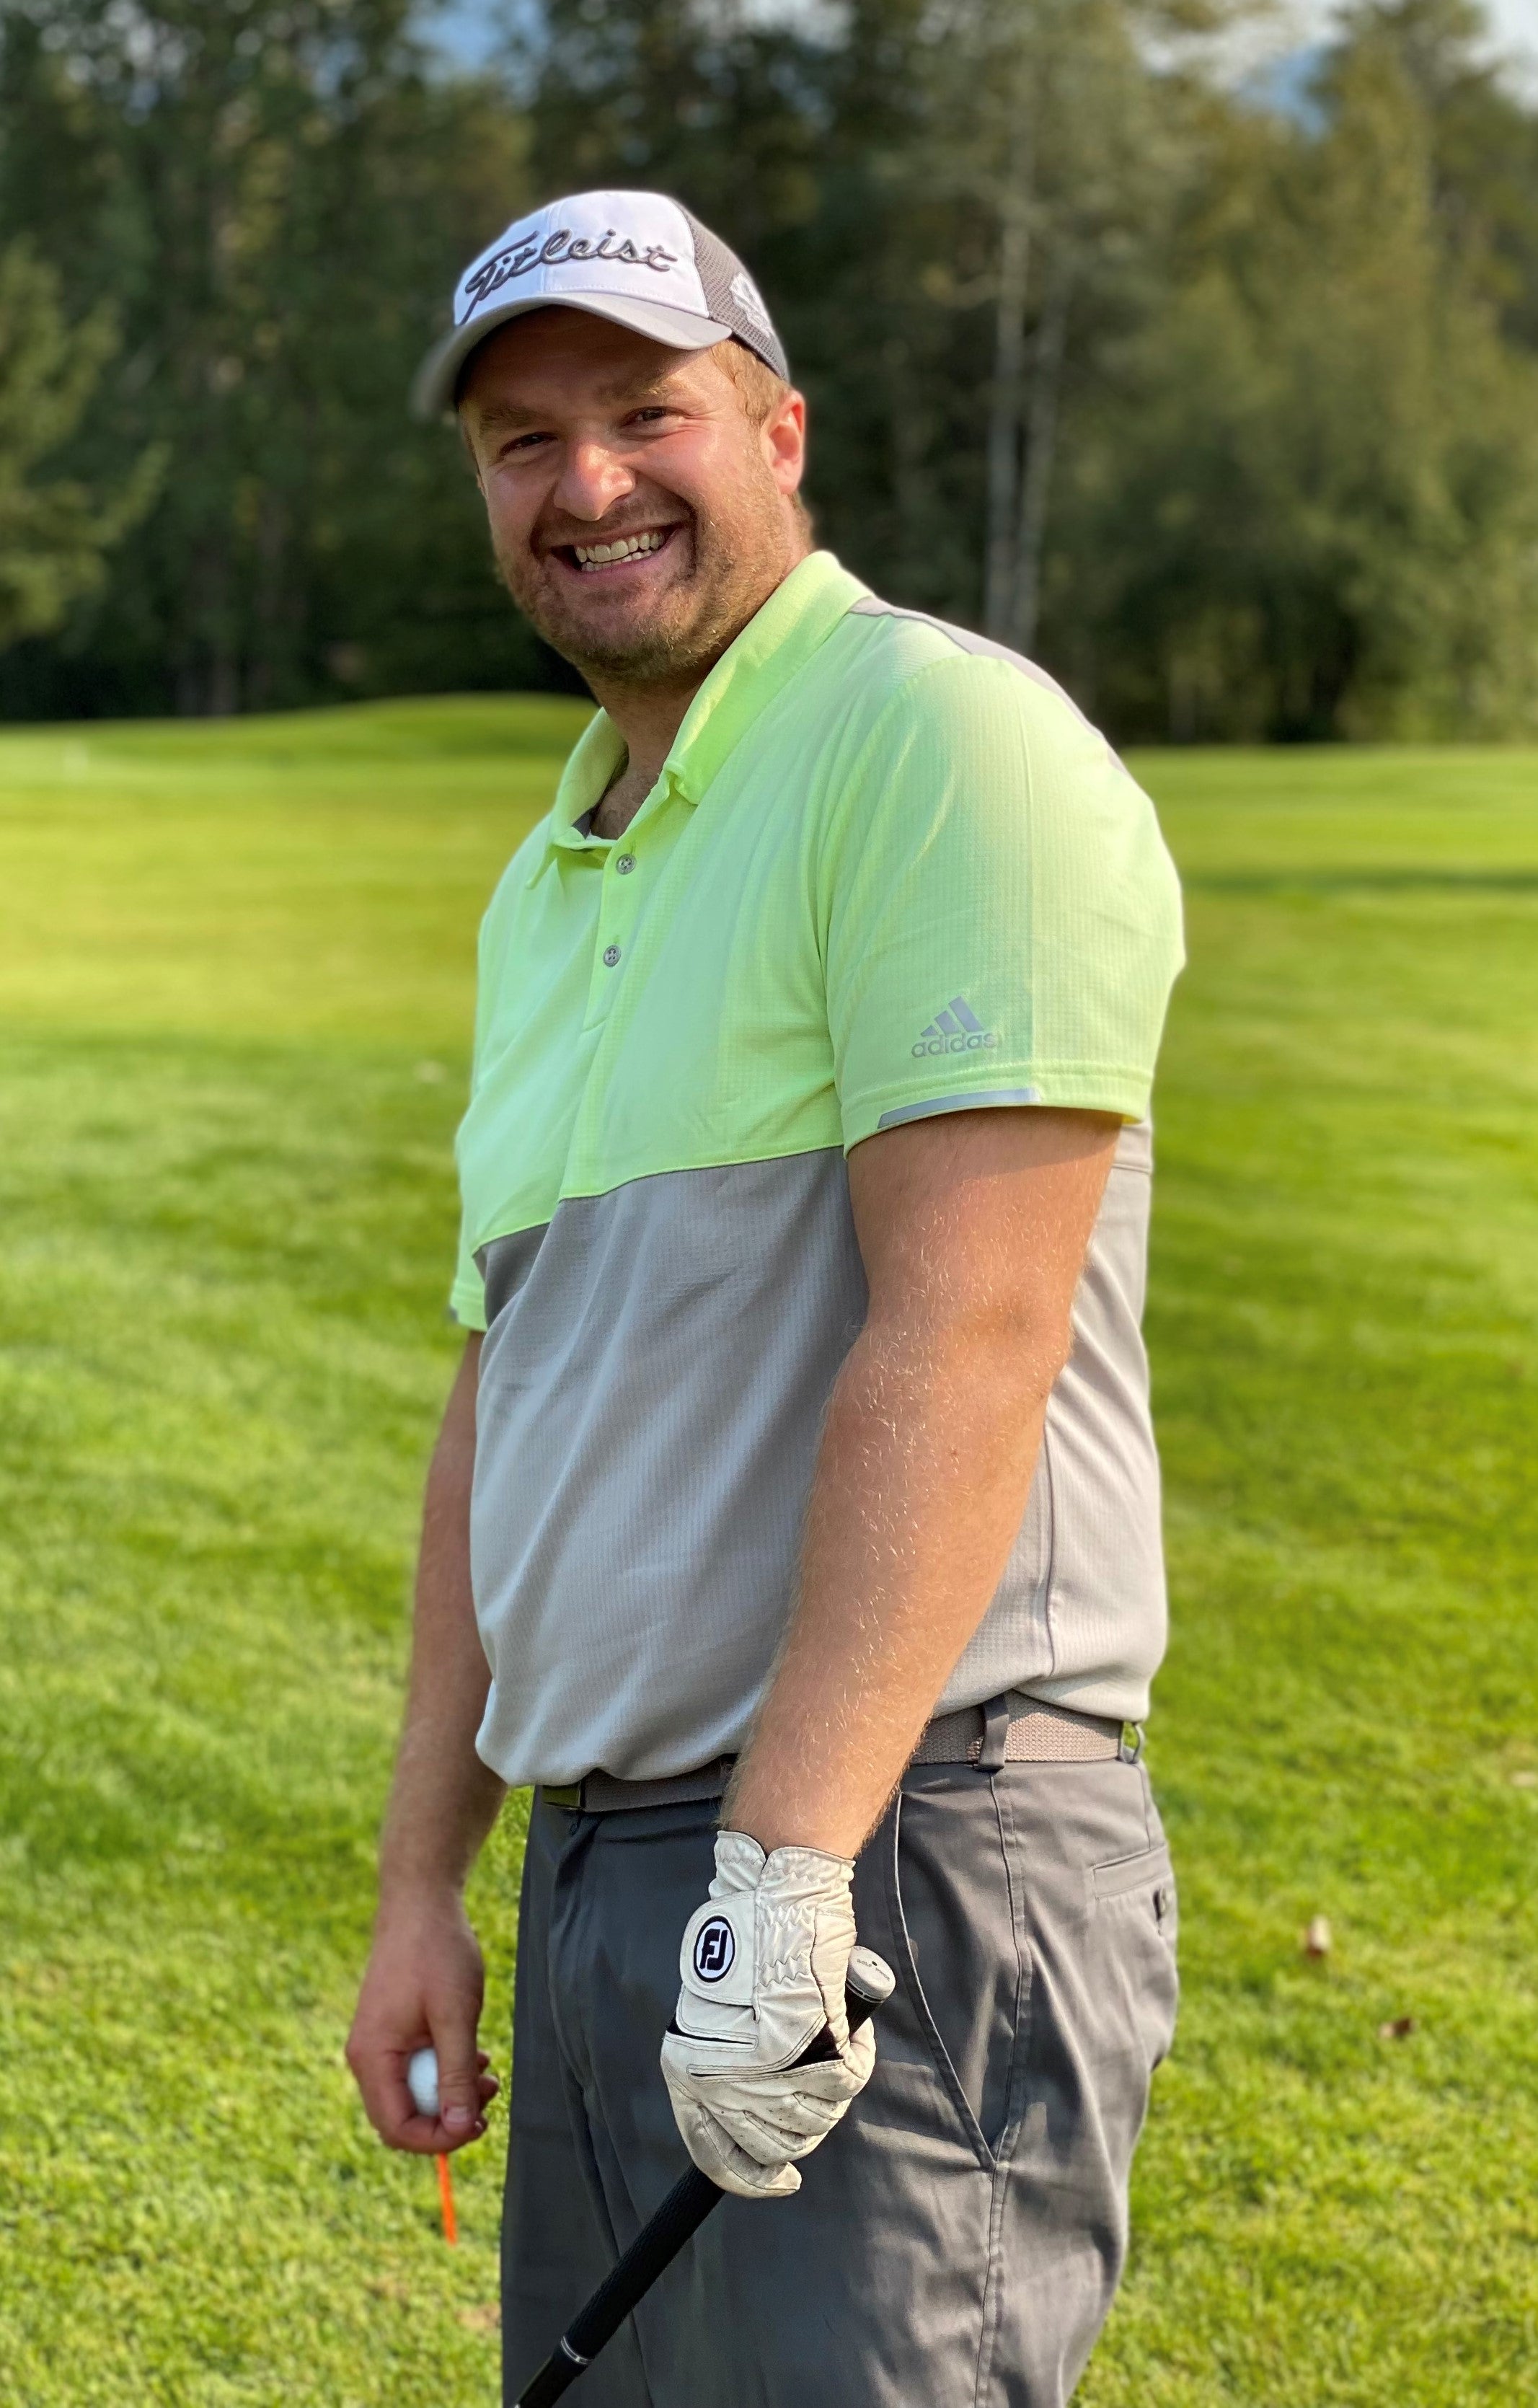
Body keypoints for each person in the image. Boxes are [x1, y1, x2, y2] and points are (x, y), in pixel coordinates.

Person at [346, 188, 1185, 2407]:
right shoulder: (560, 873)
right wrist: (428, 1878)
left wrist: (791, 1875)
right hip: (620, 1867)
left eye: (646, 408)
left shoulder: (936, 740)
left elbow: (971, 1329)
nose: (587, 480)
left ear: (779, 427)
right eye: (525, 439)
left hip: (894, 1847)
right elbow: (504, 1382)